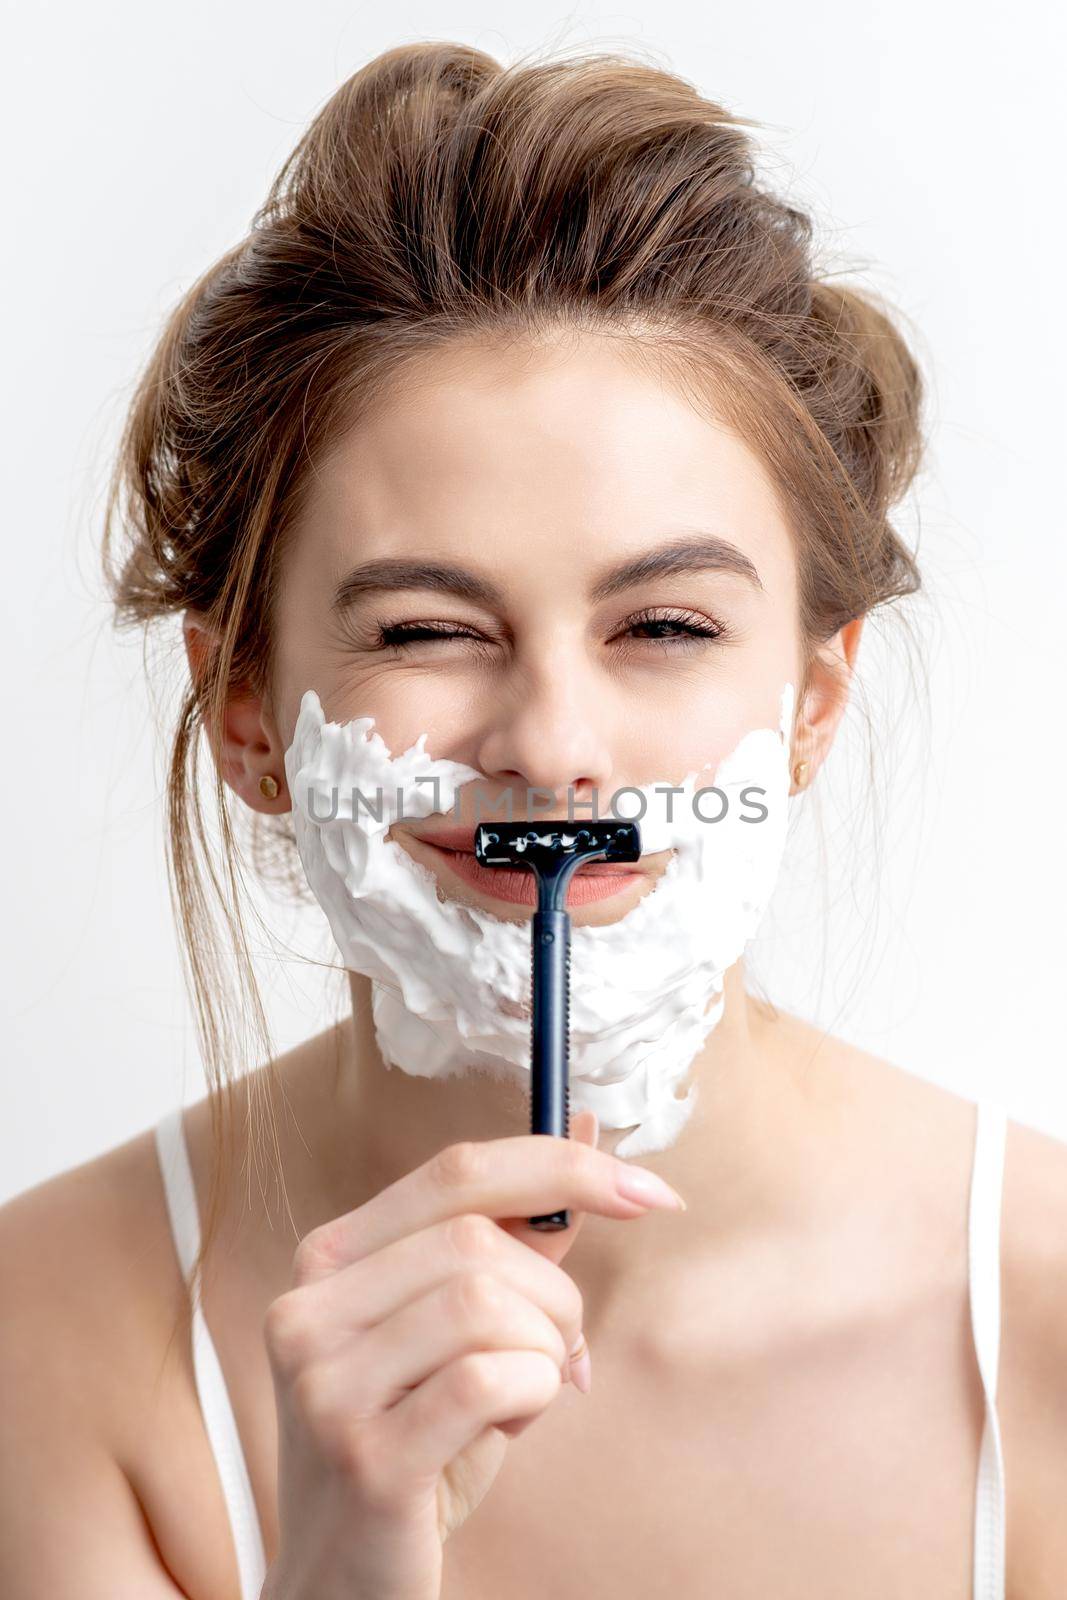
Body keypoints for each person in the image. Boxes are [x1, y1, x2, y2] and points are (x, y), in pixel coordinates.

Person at [2, 40, 1065, 1600]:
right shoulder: (43, 1342)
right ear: (246, 712)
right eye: (429, 631)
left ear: (814, 706)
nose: (557, 751)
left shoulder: (1049, 1321)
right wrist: (342, 1571)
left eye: (668, 629)